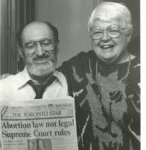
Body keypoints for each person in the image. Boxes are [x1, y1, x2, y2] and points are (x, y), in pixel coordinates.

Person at [59, 2, 140, 150]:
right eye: (97, 32)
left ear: (128, 34)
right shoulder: (78, 66)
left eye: (113, 30)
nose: (104, 38)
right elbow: (43, 81)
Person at [1, 21, 68, 101]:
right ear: (21, 52)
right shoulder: (3, 89)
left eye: (46, 43)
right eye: (31, 46)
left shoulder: (69, 82)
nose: (40, 53)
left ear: (56, 46)